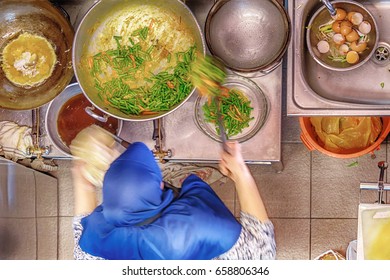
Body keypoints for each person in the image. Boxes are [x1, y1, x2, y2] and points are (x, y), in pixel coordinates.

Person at [72, 141, 276, 260]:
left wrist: (82, 182)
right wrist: (240, 173)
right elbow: (263, 251)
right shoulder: (200, 224)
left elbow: (80, 227)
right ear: (161, 186)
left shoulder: (91, 245)